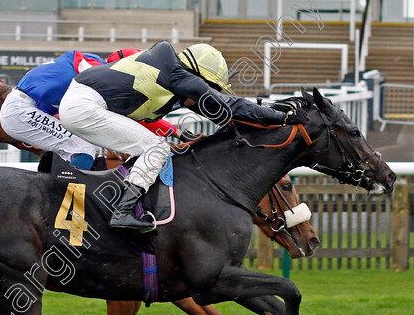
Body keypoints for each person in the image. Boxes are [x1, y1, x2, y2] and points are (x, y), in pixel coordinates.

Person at [59, 41, 308, 232]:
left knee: (150, 149)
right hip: (84, 106)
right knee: (155, 149)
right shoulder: (174, 73)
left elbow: (222, 113)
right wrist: (280, 117)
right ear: (195, 75)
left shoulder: (168, 75)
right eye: (207, 86)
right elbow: (229, 105)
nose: (205, 93)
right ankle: (121, 211)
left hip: (84, 104)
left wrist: (265, 118)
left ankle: (121, 208)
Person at [0, 49, 192, 171]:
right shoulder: (96, 70)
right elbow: (132, 120)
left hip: (25, 107)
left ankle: (53, 187)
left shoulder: (98, 72)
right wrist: (177, 133)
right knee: (84, 147)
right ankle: (61, 201)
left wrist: (177, 133)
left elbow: (129, 120)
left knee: (86, 144)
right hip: (22, 108)